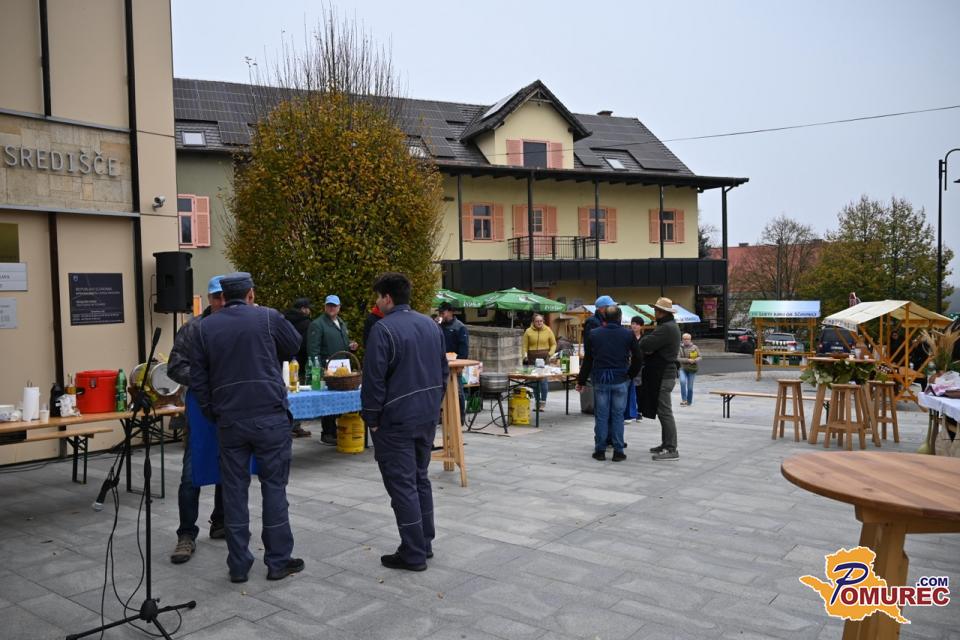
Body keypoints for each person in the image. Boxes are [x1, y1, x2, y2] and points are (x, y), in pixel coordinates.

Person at [190, 272, 305, 583]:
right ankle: (278, 561)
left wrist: (212, 411)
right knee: (274, 488)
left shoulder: (205, 327)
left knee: (234, 492)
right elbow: (294, 344)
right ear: (251, 294)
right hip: (270, 416)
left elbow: (198, 378)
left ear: (223, 297)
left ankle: (239, 565)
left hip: (230, 420)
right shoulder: (268, 317)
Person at [361, 272, 448, 571]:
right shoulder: (431, 325)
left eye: (378, 297)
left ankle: (413, 552)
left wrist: (372, 418)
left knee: (403, 485)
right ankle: (423, 542)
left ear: (388, 298)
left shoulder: (383, 329)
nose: (377, 302)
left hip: (396, 419)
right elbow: (443, 371)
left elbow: (373, 380)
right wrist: (434, 404)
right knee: (419, 479)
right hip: (425, 416)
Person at [166, 275, 226, 564]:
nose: (221, 302)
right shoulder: (192, 329)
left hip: (228, 410)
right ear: (209, 298)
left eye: (225, 296)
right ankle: (186, 534)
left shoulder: (236, 326)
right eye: (216, 297)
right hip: (200, 410)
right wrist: (205, 378)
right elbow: (175, 367)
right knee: (191, 474)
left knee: (228, 468)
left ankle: (221, 521)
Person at [576, 306, 642, 462]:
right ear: (620, 317)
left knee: (601, 415)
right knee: (618, 415)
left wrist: (581, 381)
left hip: (601, 379)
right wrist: (630, 375)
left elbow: (588, 360)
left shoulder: (594, 333)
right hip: (621, 378)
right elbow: (638, 358)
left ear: (604, 317)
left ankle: (600, 450)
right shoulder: (628, 334)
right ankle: (618, 451)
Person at [307, 294, 358, 445]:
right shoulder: (317, 324)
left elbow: (341, 343)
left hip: (342, 370)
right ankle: (327, 433)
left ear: (339, 307)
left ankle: (336, 431)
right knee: (328, 402)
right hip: (327, 370)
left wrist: (351, 346)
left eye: (334, 306)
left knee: (337, 402)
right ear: (325, 306)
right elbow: (313, 350)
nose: (331, 308)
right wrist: (318, 370)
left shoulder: (341, 323)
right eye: (329, 305)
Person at [639, 297, 682, 461]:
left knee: (665, 412)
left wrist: (648, 346)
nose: (654, 312)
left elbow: (645, 344)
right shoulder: (668, 326)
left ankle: (671, 448)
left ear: (662, 312)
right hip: (664, 373)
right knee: (663, 411)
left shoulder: (666, 328)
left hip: (664, 374)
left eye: (656, 310)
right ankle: (666, 444)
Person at [283, 297, 313, 438]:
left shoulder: (284, 319)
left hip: (284, 362)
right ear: (303, 309)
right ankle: (295, 426)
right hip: (299, 363)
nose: (309, 311)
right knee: (297, 395)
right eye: (308, 308)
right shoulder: (306, 323)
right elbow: (307, 345)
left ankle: (286, 425)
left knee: (286, 395)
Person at [438, 302, 469, 420]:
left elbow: (464, 348)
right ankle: (443, 416)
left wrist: (460, 364)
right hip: (441, 363)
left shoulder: (460, 327)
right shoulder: (439, 326)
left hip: (455, 364)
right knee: (441, 390)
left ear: (450, 312)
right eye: (440, 312)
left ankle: (460, 417)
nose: (441, 314)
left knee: (457, 390)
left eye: (443, 312)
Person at [522, 313, 557, 410]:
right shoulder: (528, 331)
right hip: (532, 358)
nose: (539, 323)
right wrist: (525, 356)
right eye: (537, 321)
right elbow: (524, 346)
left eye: (541, 321)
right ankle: (537, 402)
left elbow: (554, 344)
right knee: (534, 382)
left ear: (543, 321)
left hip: (544, 358)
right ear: (533, 322)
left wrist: (550, 354)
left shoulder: (548, 330)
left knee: (543, 381)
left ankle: (543, 402)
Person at [678, 333, 702, 407]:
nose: (686, 340)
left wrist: (695, 360)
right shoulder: (679, 348)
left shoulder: (695, 347)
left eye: (688, 339)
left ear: (690, 339)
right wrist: (688, 360)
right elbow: (677, 358)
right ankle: (684, 400)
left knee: (690, 387)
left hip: (692, 369)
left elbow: (700, 357)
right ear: (682, 340)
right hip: (683, 368)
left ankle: (689, 401)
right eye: (684, 339)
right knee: (682, 381)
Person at [629, 316, 646, 423]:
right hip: (629, 366)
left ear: (641, 326)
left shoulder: (645, 338)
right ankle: (630, 412)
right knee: (630, 389)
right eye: (633, 323)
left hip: (641, 367)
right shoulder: (627, 336)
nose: (634, 326)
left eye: (637, 324)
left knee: (639, 390)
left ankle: (639, 412)